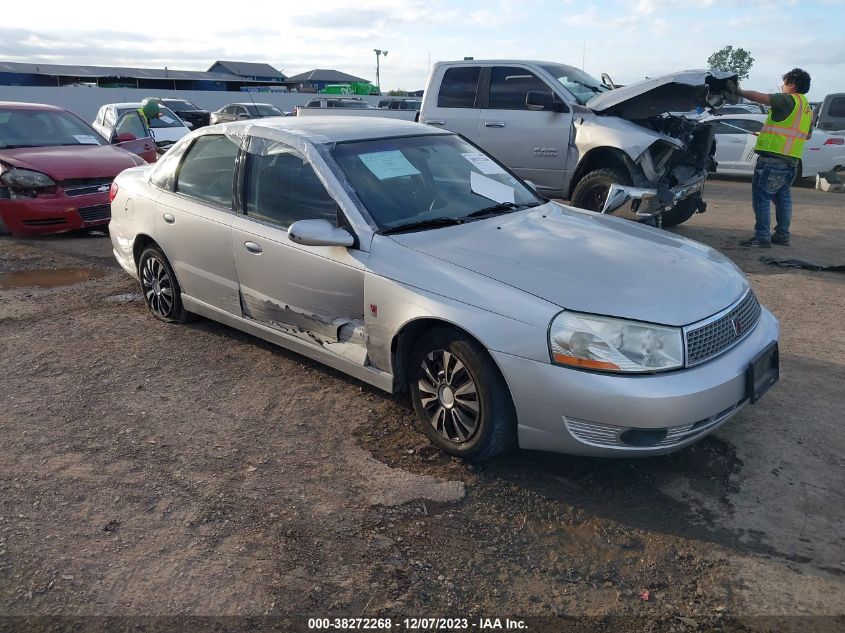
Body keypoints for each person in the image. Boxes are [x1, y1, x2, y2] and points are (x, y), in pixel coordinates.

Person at [737, 68, 812, 247]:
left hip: (773, 161)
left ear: (792, 84)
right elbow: (806, 135)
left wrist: (738, 91)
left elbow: (757, 97)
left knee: (762, 198)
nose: (782, 86)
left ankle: (762, 237)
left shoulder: (788, 99)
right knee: (783, 198)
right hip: (791, 161)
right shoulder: (806, 107)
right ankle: (782, 235)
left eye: (784, 83)